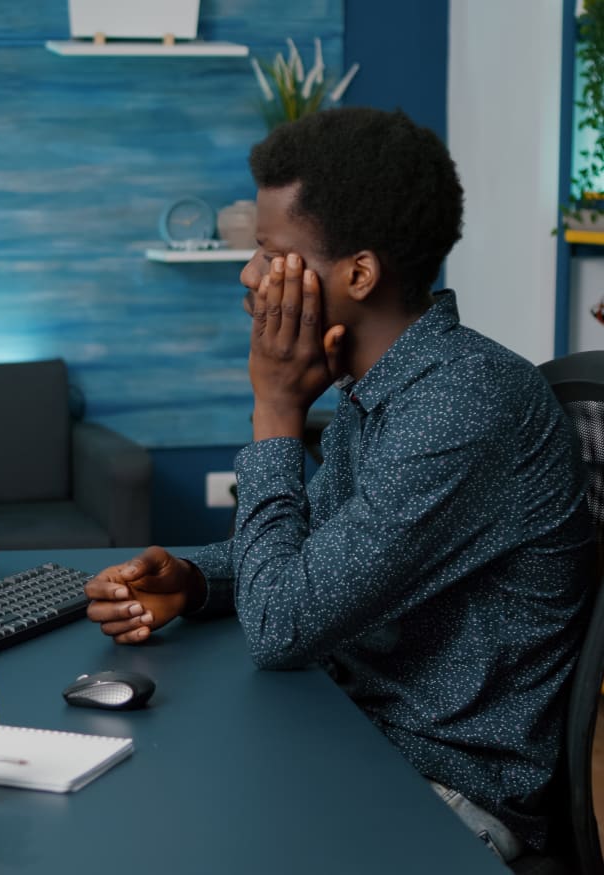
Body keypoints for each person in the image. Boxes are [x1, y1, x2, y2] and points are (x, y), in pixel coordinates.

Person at [84, 107, 595, 863]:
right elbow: (318, 554)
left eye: (268, 253)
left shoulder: (463, 406)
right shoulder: (388, 385)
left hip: (447, 796)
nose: (248, 276)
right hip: (355, 735)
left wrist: (277, 409)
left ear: (357, 273)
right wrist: (193, 579)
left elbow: (283, 624)